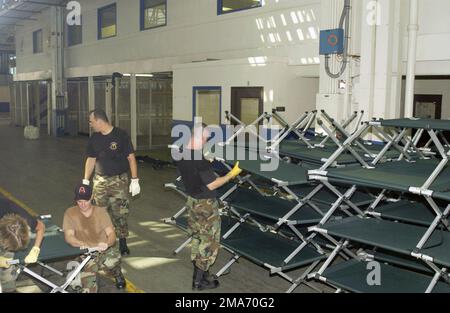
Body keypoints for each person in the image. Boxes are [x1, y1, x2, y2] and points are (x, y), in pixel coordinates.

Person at [176, 123, 242, 290]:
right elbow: (212, 184)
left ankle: (200, 273)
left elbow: (195, 171)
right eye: (205, 138)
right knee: (209, 242)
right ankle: (199, 281)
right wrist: (231, 174)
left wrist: (206, 162)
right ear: (197, 136)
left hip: (192, 201)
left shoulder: (182, 151)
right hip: (205, 205)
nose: (206, 142)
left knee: (198, 237)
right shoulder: (197, 158)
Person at [83, 109, 141, 256]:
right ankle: (104, 240)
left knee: (120, 213)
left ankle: (122, 241)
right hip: (100, 181)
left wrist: (135, 180)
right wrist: (85, 180)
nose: (90, 125)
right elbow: (91, 159)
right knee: (99, 213)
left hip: (119, 181)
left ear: (99, 121)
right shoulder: (94, 139)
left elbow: (131, 158)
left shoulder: (121, 136)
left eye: (91, 122)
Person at [63, 184, 126, 292]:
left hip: (102, 249)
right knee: (88, 285)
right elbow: (69, 236)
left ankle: (117, 273)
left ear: (91, 197)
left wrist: (107, 244)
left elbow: (111, 234)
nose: (82, 204)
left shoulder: (101, 212)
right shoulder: (70, 213)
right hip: (83, 252)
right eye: (79, 201)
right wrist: (80, 243)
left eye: (86, 201)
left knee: (112, 263)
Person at [0, 199, 45, 293]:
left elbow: (41, 227)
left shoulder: (25, 218)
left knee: (7, 268)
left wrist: (35, 249)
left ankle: (9, 290)